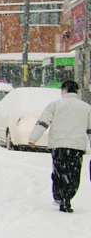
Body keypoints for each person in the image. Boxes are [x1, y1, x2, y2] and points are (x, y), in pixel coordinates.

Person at [28, 80, 91, 212]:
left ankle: (60, 196)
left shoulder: (55, 105)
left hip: (59, 145)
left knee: (59, 171)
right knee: (74, 174)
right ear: (77, 92)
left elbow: (43, 122)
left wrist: (33, 138)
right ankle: (68, 196)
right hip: (77, 147)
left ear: (63, 91)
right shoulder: (86, 108)